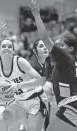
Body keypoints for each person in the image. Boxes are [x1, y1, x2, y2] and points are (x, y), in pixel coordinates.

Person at [29, 0, 77, 130]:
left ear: (71, 48)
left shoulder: (65, 58)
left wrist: (36, 15)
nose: (59, 47)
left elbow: (45, 39)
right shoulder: (70, 62)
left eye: (62, 45)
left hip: (71, 108)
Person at [0, 38, 47, 131]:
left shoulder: (20, 62)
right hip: (19, 103)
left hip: (36, 99)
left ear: (13, 51)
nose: (6, 48)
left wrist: (18, 86)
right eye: (4, 46)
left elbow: (40, 81)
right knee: (1, 121)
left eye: (10, 46)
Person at [26, 39, 54, 131]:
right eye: (41, 46)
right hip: (29, 101)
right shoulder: (30, 65)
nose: (45, 48)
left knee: (45, 120)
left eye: (46, 46)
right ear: (34, 51)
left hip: (42, 100)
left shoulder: (46, 63)